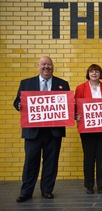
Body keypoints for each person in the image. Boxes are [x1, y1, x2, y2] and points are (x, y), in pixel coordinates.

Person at [13, 56, 70, 202]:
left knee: (51, 162)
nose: (46, 67)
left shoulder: (62, 84)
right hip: (33, 131)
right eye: (43, 64)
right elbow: (17, 101)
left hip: (53, 131)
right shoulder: (26, 83)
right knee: (30, 162)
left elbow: (68, 105)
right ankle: (26, 192)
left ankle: (47, 190)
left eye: (49, 64)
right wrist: (19, 105)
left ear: (53, 66)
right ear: (38, 66)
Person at [74, 64, 102, 194]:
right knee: (89, 156)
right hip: (87, 128)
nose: (94, 73)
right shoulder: (80, 88)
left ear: (100, 73)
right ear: (88, 74)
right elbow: (75, 105)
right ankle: (89, 185)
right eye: (92, 71)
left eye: (97, 71)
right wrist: (76, 115)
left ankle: (101, 185)